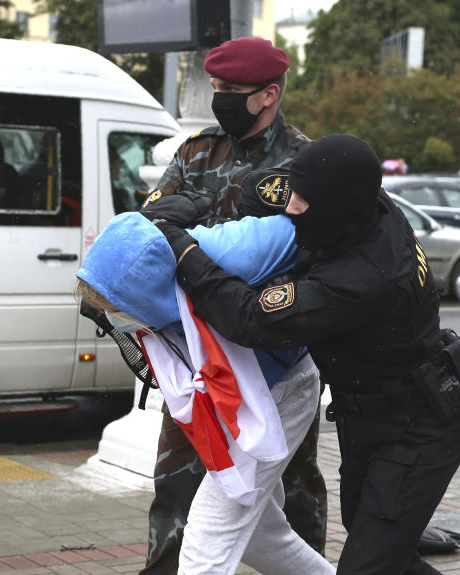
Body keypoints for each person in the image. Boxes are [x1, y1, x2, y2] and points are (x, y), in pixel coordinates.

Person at [154, 134, 460, 574]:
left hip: (416, 429)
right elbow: (265, 189)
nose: (291, 207)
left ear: (333, 205)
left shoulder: (362, 278)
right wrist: (206, 212)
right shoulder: (362, 201)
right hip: (371, 417)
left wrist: (186, 251)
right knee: (387, 557)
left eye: (303, 200)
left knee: (368, 566)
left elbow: (248, 319)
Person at [77, 175, 334, 575]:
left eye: (119, 307)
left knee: (205, 539)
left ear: (145, 286)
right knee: (261, 536)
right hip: (253, 391)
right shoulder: (158, 282)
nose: (121, 320)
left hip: (284, 387)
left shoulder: (233, 250)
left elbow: (312, 232)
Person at [138, 37, 325, 574]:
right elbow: (148, 230)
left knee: (294, 486)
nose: (219, 99)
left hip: (276, 356)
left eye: (232, 91)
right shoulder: (197, 151)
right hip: (197, 353)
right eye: (216, 88)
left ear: (269, 94)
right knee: (177, 481)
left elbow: (320, 257)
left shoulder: (306, 161)